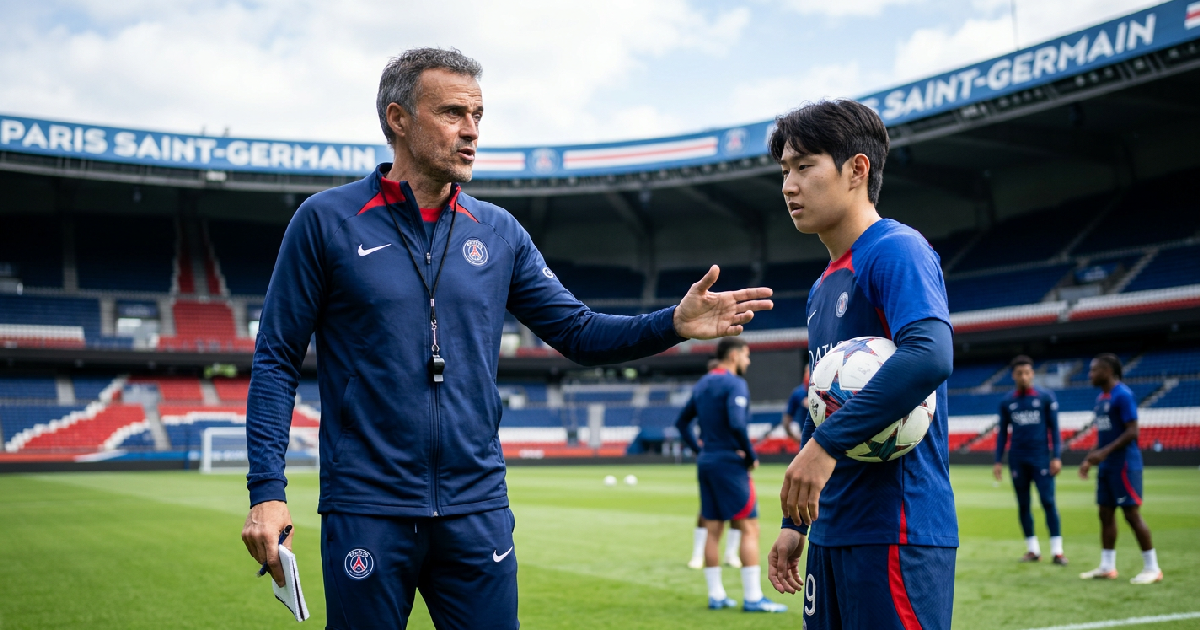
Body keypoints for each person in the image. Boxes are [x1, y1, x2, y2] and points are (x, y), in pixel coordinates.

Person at [239, 47, 774, 630]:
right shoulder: (326, 221)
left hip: (477, 507)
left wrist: (671, 323)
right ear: (398, 119)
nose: (471, 130)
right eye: (452, 113)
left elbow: (578, 331)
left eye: (477, 115)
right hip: (367, 504)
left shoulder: (499, 232)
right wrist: (267, 490)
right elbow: (277, 360)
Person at [764, 100, 957, 630]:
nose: (788, 186)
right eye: (784, 171)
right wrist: (795, 523)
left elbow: (930, 353)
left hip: (896, 529)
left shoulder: (896, 249)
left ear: (857, 169)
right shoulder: (823, 286)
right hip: (832, 531)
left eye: (805, 166)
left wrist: (824, 447)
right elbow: (822, 404)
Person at [676, 338, 787, 613]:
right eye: (746, 356)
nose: (748, 361)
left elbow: (681, 422)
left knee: (712, 530)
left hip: (707, 461)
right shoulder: (735, 384)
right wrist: (749, 455)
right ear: (734, 355)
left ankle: (716, 595)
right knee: (749, 527)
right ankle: (753, 598)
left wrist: (699, 450)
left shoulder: (702, 383)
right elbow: (737, 423)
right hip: (729, 462)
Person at [1078, 354, 1163, 584]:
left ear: (1108, 371)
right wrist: (1090, 459)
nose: (1090, 374)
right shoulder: (1101, 399)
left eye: (1094, 370)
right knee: (1105, 513)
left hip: (1124, 465)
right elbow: (1105, 435)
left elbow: (1132, 431)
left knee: (1131, 514)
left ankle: (1152, 568)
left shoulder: (1123, 395)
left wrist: (1104, 453)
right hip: (1107, 465)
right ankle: (1107, 567)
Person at [993, 355, 1066, 564]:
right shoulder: (1007, 401)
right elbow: (1002, 433)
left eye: (1027, 373)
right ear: (1013, 375)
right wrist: (998, 461)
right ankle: (1033, 550)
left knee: (1048, 502)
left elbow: (1054, 429)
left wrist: (1056, 456)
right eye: (1019, 373)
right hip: (1017, 459)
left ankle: (1057, 551)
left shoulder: (1045, 397)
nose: (1024, 377)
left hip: (1041, 458)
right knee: (1023, 505)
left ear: (1032, 374)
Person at [688, 359, 746, 571]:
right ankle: (698, 554)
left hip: (727, 456)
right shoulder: (707, 392)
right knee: (707, 512)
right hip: (717, 455)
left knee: (736, 511)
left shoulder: (728, 389)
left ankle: (730, 553)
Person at [779, 363, 811, 442]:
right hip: (805, 436)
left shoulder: (824, 393)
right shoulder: (798, 393)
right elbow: (787, 418)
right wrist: (795, 437)